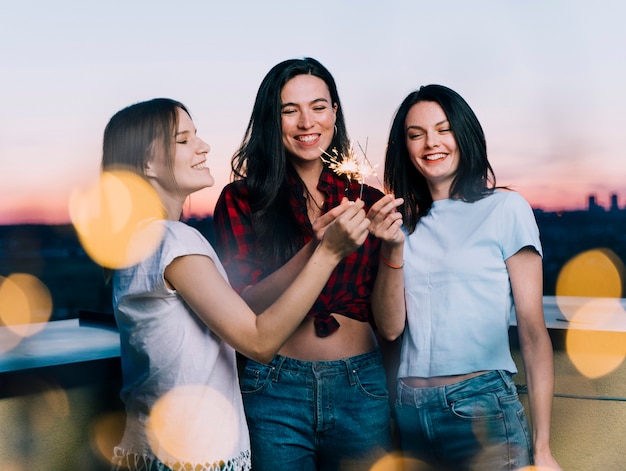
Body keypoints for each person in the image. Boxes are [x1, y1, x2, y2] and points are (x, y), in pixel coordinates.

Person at [103, 98, 371, 471]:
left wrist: (313, 248)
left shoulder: (140, 240)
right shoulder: (175, 242)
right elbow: (259, 341)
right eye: (183, 140)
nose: (203, 146)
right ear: (147, 163)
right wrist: (329, 255)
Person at [212, 58, 400, 470]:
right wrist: (317, 247)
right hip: (274, 388)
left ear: (335, 112)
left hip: (361, 386)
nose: (305, 122)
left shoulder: (364, 200)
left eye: (318, 106)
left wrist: (392, 250)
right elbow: (246, 303)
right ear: (270, 119)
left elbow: (389, 325)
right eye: (288, 109)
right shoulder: (241, 200)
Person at [373, 84, 563, 470]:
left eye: (443, 129)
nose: (431, 143)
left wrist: (542, 449)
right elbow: (390, 330)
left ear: (465, 134)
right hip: (409, 413)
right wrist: (390, 248)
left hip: (482, 410)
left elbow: (531, 330)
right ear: (404, 148)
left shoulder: (505, 209)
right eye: (416, 135)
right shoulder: (400, 226)